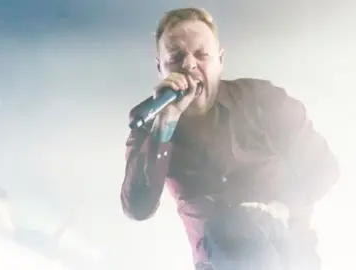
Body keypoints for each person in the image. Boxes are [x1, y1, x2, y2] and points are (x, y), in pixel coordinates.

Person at [121, 7, 340, 270]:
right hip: (219, 260)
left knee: (244, 224)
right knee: (229, 226)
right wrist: (165, 124)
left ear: (220, 61)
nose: (189, 65)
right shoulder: (150, 124)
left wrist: (279, 210)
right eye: (176, 57)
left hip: (288, 249)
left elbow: (324, 168)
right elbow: (138, 207)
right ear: (160, 67)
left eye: (201, 54)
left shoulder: (262, 100)